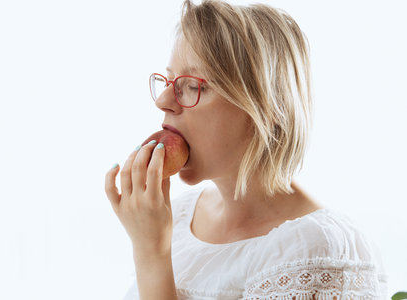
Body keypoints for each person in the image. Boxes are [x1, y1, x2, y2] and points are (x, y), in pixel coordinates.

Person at [105, 0, 388, 299]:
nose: (163, 100)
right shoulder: (178, 216)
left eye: (193, 85)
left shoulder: (316, 251)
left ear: (265, 109)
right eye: (170, 80)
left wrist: (151, 253)